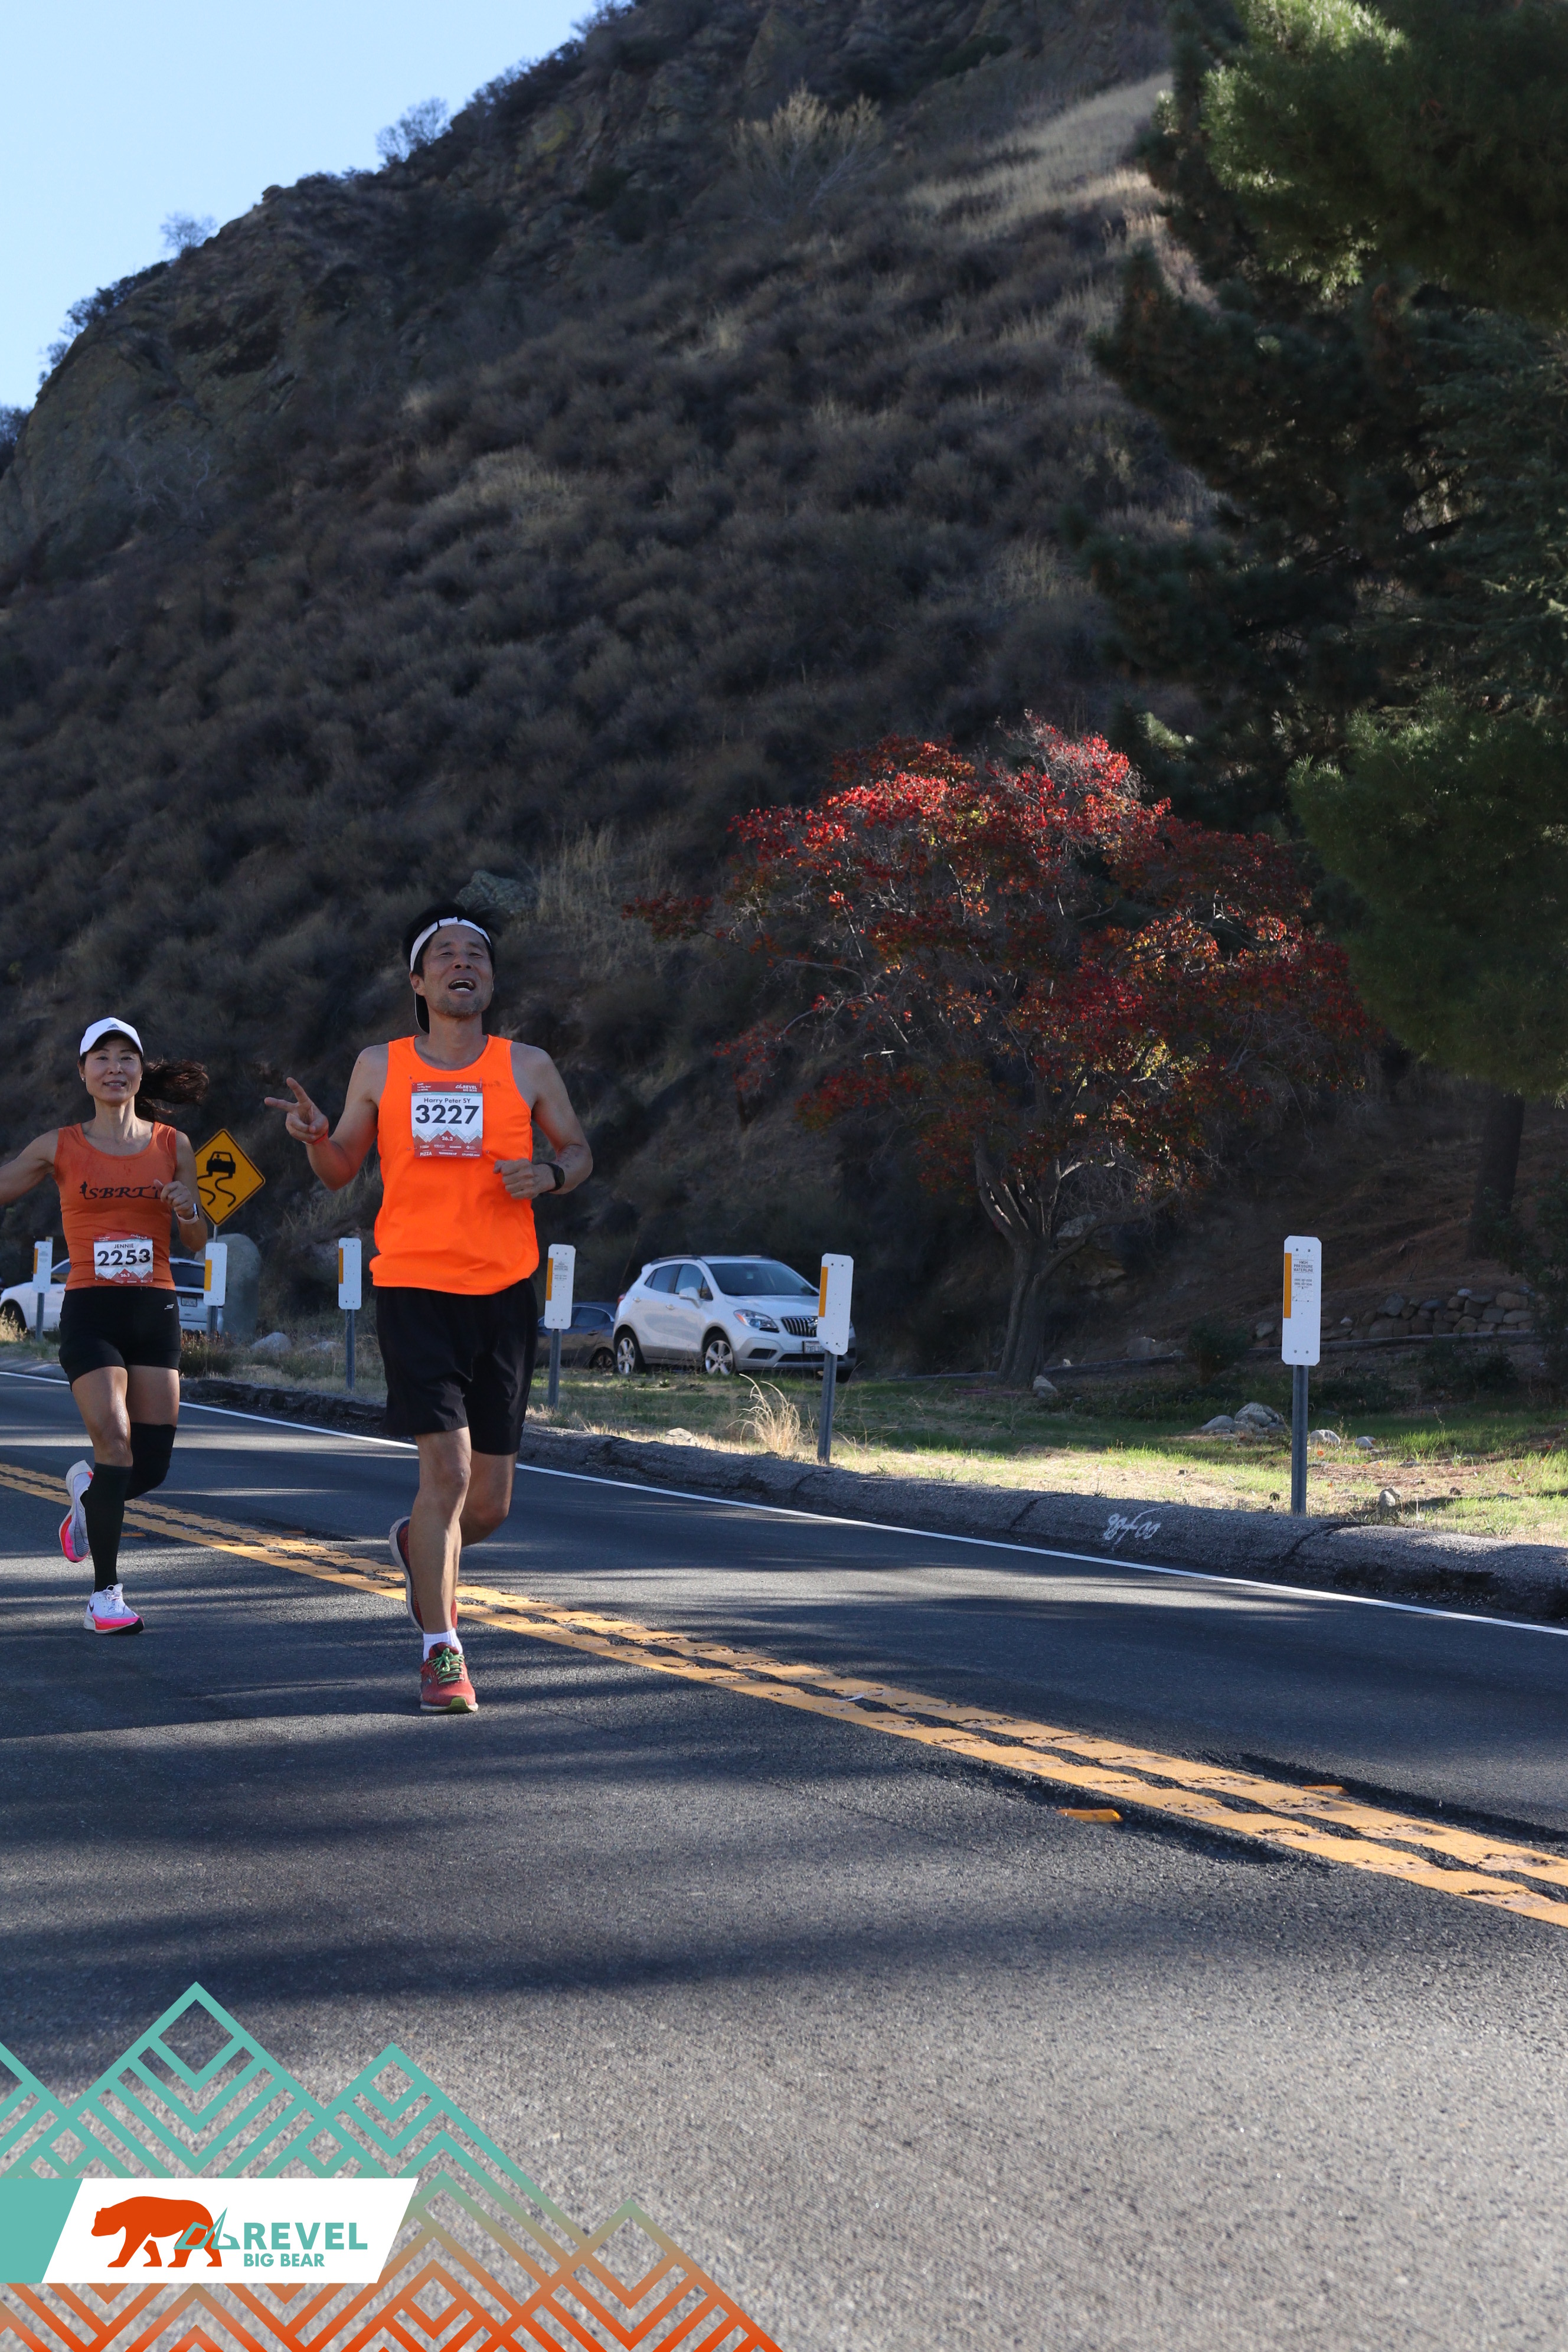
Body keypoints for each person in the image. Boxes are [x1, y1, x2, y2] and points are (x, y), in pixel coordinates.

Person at [266, 906, 591, 1713]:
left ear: (491, 979)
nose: (461, 964)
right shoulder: (381, 1066)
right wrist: (314, 1137)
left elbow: (579, 1150)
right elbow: (340, 1169)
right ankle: (441, 1652)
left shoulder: (529, 1066)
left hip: (505, 1293)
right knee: (446, 1471)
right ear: (418, 981)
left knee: (490, 1504)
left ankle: (420, 1545)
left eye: (475, 954)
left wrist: (552, 1175)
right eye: (444, 954)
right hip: (414, 1288)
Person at [0, 1019, 208, 1632]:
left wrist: (187, 1209)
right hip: (91, 1310)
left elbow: (198, 1239)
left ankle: (89, 1494)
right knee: (115, 1439)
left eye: (126, 1058)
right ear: (82, 1071)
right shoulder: (59, 1146)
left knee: (150, 1467)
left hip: (155, 1309)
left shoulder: (174, 1144)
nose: (115, 1068)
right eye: (102, 1058)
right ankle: (105, 1598)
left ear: (140, 1072)